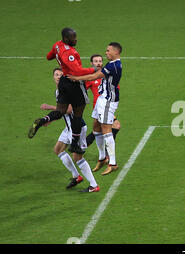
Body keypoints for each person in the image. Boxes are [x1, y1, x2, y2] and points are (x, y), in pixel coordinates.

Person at [28, 27, 99, 155]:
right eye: (73, 37)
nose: (76, 39)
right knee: (78, 113)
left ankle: (43, 121)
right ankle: (74, 144)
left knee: (60, 110)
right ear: (66, 39)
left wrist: (59, 57)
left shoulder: (57, 45)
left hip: (63, 82)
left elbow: (48, 56)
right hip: (73, 82)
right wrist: (93, 69)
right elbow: (77, 71)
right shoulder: (69, 53)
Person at [40, 67, 100, 192]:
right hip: (68, 128)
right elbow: (62, 112)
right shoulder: (58, 92)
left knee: (77, 157)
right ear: (53, 77)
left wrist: (49, 107)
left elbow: (69, 110)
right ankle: (77, 176)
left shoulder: (68, 89)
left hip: (77, 128)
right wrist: (51, 120)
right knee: (58, 149)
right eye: (56, 74)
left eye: (60, 75)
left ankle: (94, 185)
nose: (58, 77)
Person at [68, 42, 122, 175]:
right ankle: (102, 158)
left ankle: (112, 163)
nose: (106, 53)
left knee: (106, 130)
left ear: (116, 52)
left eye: (108, 51)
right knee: (96, 128)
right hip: (101, 99)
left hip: (108, 101)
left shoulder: (113, 65)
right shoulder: (111, 64)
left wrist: (75, 78)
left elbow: (93, 76)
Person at [84, 54, 121, 152]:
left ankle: (81, 147)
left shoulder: (106, 72)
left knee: (100, 130)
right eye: (96, 61)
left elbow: (115, 86)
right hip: (99, 107)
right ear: (91, 63)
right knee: (113, 127)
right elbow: (82, 89)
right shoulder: (91, 77)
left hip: (107, 105)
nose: (98, 63)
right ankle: (107, 153)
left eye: (100, 61)